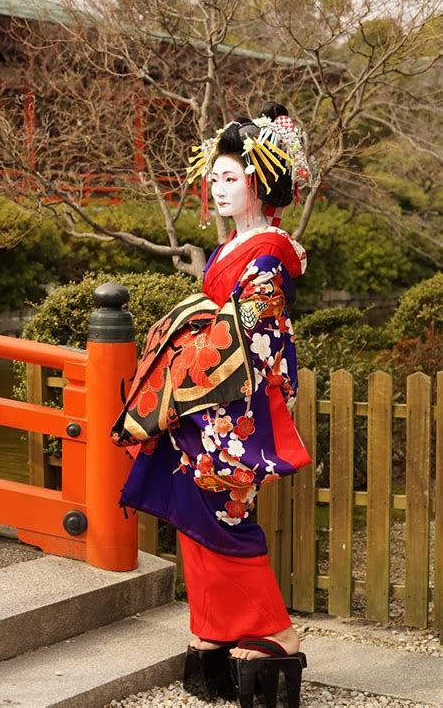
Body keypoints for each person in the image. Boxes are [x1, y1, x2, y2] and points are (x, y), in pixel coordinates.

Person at [112, 101, 312, 703]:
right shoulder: (235, 247)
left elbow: (254, 330)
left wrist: (190, 326)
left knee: (223, 518)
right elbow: (217, 319)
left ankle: (275, 631)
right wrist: (193, 324)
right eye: (215, 178)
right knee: (191, 512)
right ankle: (215, 629)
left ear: (262, 182)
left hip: (236, 405)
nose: (218, 188)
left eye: (231, 178)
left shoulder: (270, 249)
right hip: (204, 399)